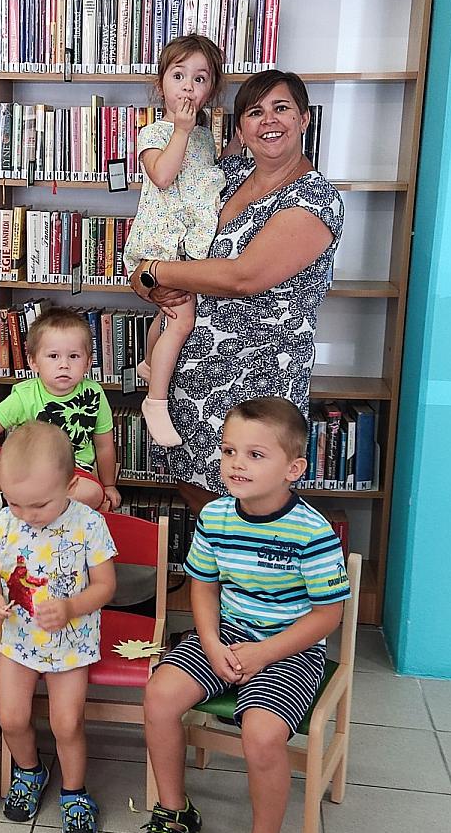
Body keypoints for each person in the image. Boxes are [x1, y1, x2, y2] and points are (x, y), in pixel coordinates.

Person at [128, 397, 350, 833]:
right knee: (159, 698)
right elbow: (204, 587)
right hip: (225, 635)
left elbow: (328, 616)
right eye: (229, 451)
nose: (236, 463)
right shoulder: (215, 516)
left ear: (293, 469)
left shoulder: (312, 532)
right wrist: (210, 643)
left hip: (290, 648)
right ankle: (174, 813)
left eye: (255, 454)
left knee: (261, 735)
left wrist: (264, 653)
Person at [128, 70, 344, 515]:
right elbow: (167, 217)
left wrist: (155, 271)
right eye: (255, 112)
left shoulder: (315, 198)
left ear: (304, 118)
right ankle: (211, 563)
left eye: (281, 108)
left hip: (257, 379)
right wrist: (148, 279)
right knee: (197, 494)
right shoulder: (227, 174)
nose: (269, 120)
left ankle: (246, 566)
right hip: (192, 373)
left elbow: (244, 276)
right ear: (241, 129)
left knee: (250, 503)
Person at [0, 421, 117, 833]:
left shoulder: (88, 524)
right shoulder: (6, 521)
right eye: (14, 502)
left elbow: (106, 586)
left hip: (71, 645)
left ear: (71, 485)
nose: (26, 514)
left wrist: (71, 607)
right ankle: (29, 771)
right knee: (11, 716)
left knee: (67, 723)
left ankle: (74, 792)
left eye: (38, 504)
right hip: (17, 640)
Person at [123, 35, 225, 448]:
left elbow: (205, 180)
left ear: (210, 90)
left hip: (187, 243)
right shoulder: (155, 132)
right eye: (179, 76)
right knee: (182, 319)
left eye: (200, 79)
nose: (188, 87)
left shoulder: (204, 137)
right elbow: (163, 176)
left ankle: (150, 363)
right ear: (160, 84)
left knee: (166, 316)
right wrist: (181, 131)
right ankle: (156, 401)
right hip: (160, 243)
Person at [0, 307, 121, 514]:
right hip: (26, 464)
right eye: (53, 356)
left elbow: (104, 445)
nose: (64, 365)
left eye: (74, 356)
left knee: (93, 493)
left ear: (88, 363)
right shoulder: (25, 395)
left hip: (72, 471)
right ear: (33, 362)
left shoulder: (94, 394)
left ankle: (12, 500)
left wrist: (109, 485)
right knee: (8, 457)